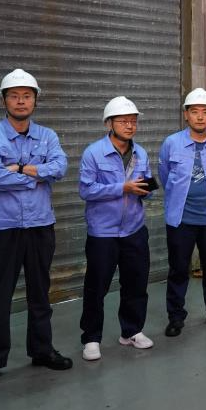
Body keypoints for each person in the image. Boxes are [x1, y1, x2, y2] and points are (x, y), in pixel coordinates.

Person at [0, 69, 70, 392]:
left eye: (27, 96)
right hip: (1, 228)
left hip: (40, 225)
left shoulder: (48, 136)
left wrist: (18, 168)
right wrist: (36, 176)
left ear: (35, 101)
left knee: (40, 293)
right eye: (14, 96)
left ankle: (42, 350)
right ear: (4, 100)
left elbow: (60, 167)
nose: (20, 101)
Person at [77, 97, 154, 361]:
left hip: (134, 229)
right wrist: (122, 188)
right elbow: (86, 190)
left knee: (136, 283)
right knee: (96, 287)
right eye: (123, 121)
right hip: (103, 233)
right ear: (109, 123)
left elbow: (147, 188)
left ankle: (131, 331)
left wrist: (146, 190)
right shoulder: (93, 153)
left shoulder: (141, 153)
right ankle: (91, 338)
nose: (130, 126)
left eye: (133, 121)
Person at [158, 88, 206, 336]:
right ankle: (175, 317)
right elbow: (165, 176)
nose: (200, 117)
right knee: (178, 269)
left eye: (205, 112)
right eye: (194, 112)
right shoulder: (172, 143)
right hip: (181, 219)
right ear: (186, 115)